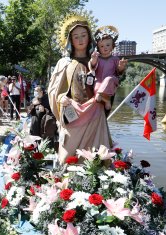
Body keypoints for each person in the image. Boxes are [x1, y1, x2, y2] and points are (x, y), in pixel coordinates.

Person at [48, 15, 112, 164]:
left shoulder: (98, 61)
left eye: (83, 35)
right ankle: (67, 182)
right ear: (70, 40)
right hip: (72, 113)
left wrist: (119, 72)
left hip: (94, 112)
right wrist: (60, 98)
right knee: (67, 156)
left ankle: (95, 181)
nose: (80, 39)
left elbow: (109, 82)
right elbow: (53, 90)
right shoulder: (64, 63)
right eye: (76, 37)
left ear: (89, 38)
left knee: (95, 154)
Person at [89, 25, 127, 110]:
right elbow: (92, 66)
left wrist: (121, 67)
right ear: (98, 48)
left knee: (108, 79)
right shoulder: (98, 58)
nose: (105, 47)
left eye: (107, 45)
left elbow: (119, 72)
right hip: (99, 80)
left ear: (112, 46)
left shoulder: (115, 59)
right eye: (102, 46)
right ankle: (107, 100)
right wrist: (93, 60)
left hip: (112, 81)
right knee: (97, 87)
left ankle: (102, 96)